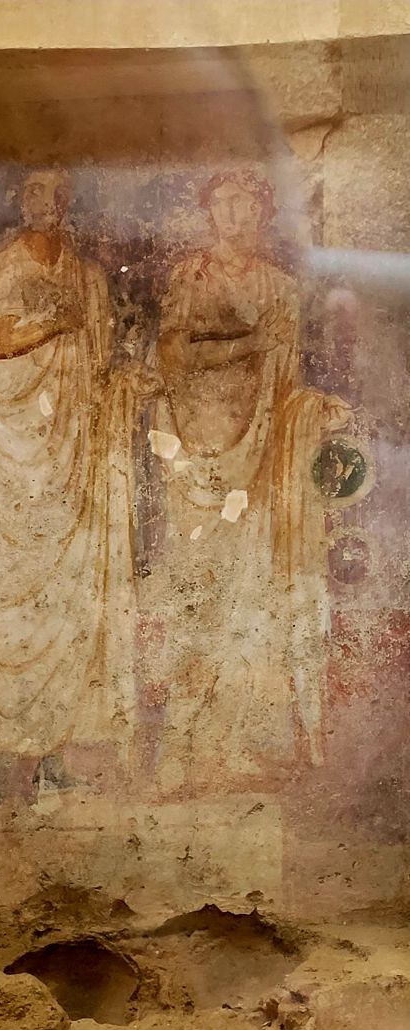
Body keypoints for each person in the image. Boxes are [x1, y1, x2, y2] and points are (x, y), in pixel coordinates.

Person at [148, 168, 352, 792]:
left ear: (262, 211)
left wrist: (313, 409)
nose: (235, 214)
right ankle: (180, 745)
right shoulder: (191, 276)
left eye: (246, 203)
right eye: (223, 203)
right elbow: (173, 357)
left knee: (250, 601)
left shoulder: (281, 287)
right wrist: (249, 342)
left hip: (259, 465)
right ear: (209, 211)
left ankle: (233, 741)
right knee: (198, 598)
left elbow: (285, 389)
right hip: (198, 461)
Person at [0, 169, 137, 800]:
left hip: (74, 457)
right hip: (19, 463)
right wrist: (55, 324)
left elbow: (101, 369)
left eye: (62, 192)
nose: (52, 202)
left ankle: (53, 754)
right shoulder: (6, 268)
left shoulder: (89, 277)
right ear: (20, 199)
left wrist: (127, 388)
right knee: (17, 600)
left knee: (69, 600)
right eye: (39, 191)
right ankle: (1, 753)